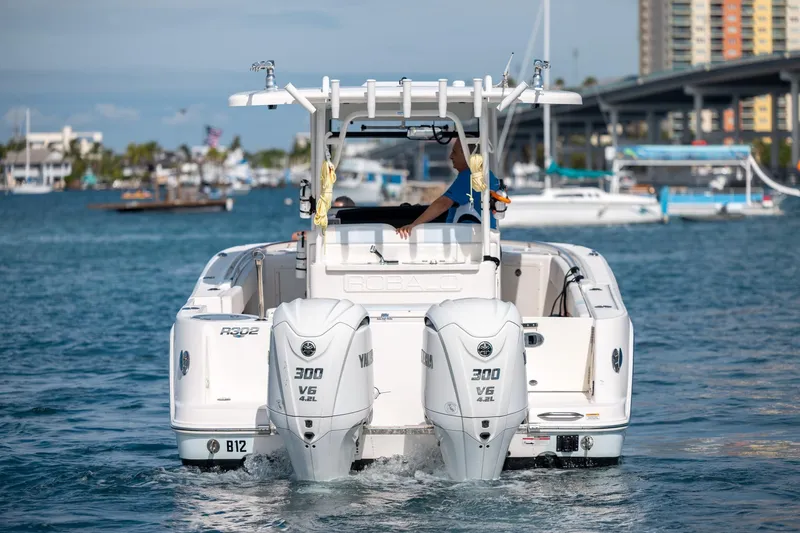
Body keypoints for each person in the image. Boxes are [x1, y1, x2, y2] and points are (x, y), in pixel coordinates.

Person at [396, 138, 499, 239]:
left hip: (469, 242)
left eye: (454, 152)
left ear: (466, 154)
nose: (450, 156)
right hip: (484, 242)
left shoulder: (470, 176)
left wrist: (414, 225)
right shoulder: (488, 176)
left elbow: (443, 203)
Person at [291, 196, 356, 241]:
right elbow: (295, 236)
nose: (334, 215)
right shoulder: (329, 225)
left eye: (338, 211)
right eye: (333, 210)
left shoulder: (355, 231)